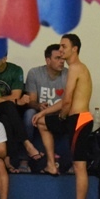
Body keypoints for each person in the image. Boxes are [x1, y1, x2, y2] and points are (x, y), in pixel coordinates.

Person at [0, 55, 41, 173]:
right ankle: (27, 144)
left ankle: (8, 159)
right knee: (9, 106)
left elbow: (15, 96)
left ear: (4, 58)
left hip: (11, 111)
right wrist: (15, 101)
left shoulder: (16, 70)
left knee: (6, 115)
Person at [56, 34, 94, 199]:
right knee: (42, 122)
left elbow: (67, 99)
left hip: (79, 120)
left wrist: (62, 117)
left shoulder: (75, 68)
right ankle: (50, 162)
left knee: (79, 166)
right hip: (79, 119)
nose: (60, 50)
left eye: (64, 46)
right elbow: (66, 100)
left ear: (75, 49)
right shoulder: (79, 68)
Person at [25, 43, 67, 176]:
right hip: (40, 115)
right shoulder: (35, 73)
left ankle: (71, 161)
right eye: (58, 58)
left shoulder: (68, 74)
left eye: (63, 58)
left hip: (60, 115)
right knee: (29, 114)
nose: (62, 61)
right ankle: (26, 154)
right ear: (48, 60)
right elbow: (31, 101)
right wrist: (39, 106)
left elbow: (68, 102)